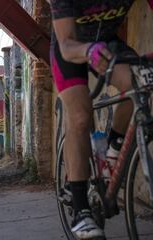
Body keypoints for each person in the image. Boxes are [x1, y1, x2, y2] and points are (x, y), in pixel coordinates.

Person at [50, 0, 153, 239]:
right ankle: (80, 207)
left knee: (138, 84)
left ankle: (112, 154)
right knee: (80, 117)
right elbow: (65, 45)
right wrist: (87, 50)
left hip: (107, 42)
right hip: (72, 47)